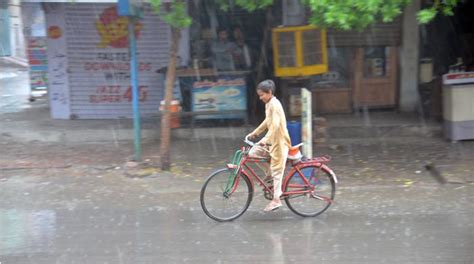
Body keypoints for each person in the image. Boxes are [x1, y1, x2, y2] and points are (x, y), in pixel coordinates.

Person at [247, 80, 292, 212]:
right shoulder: (268, 104)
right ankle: (269, 173)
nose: (260, 98)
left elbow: (276, 126)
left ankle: (277, 200)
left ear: (270, 92)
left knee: (278, 170)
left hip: (279, 141)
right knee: (253, 153)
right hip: (271, 139)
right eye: (259, 95)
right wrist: (255, 133)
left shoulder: (275, 105)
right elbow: (267, 121)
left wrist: (266, 140)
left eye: (262, 95)